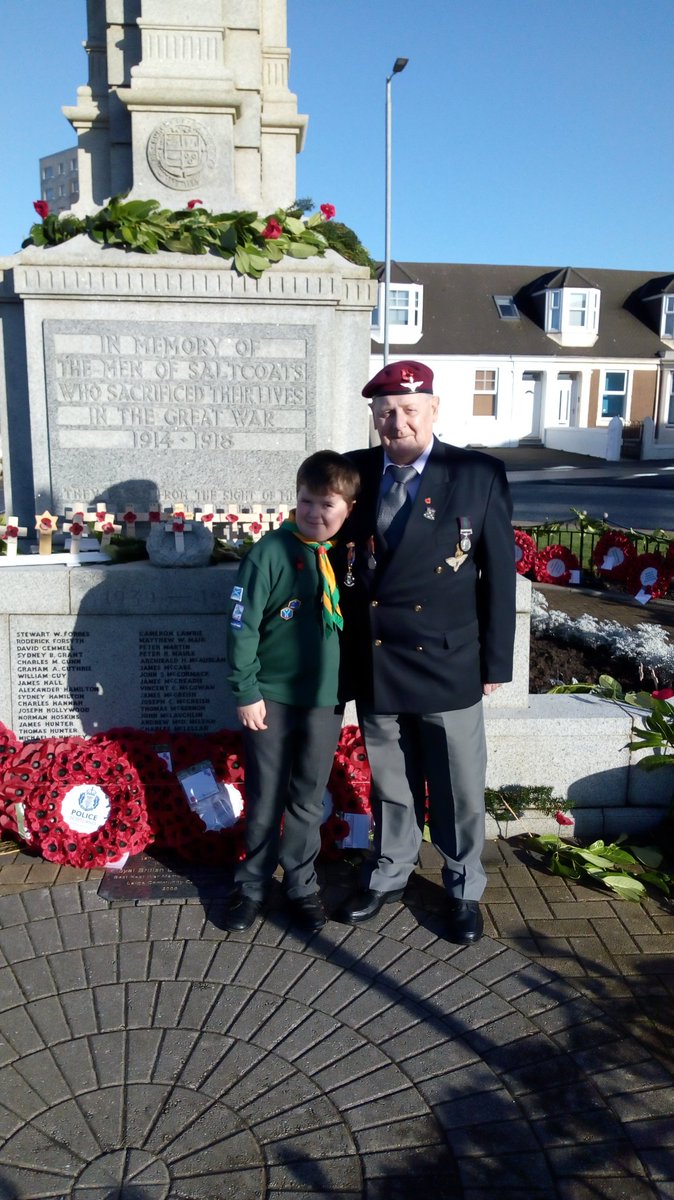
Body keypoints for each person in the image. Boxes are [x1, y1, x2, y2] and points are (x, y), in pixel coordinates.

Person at [335, 360, 516, 944]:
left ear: (434, 410)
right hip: (379, 656)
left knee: (459, 781)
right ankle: (390, 870)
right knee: (390, 776)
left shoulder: (476, 472)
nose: (397, 421)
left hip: (447, 657)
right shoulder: (354, 474)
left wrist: (494, 663)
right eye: (385, 411)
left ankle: (463, 885)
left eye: (410, 409)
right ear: (374, 417)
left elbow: (499, 577)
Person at [223, 450, 360, 933]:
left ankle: (301, 884)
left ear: (348, 509)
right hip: (271, 697)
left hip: (324, 699)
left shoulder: (351, 555)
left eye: (327, 505)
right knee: (266, 795)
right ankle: (253, 884)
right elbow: (241, 626)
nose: (314, 513)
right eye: (306, 501)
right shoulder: (271, 552)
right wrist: (245, 690)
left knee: (307, 795)